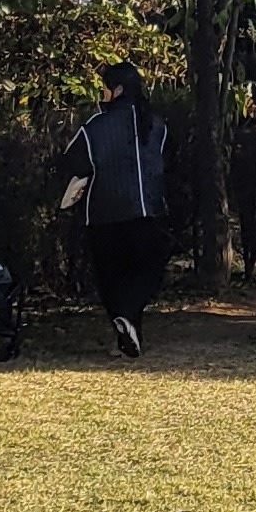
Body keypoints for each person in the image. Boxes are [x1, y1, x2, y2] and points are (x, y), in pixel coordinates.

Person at [58, 56, 172, 357]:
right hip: (147, 212)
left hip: (103, 215)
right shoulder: (157, 125)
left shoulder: (95, 127)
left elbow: (73, 162)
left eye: (105, 88)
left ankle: (125, 329)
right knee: (145, 274)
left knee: (111, 280)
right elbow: (164, 165)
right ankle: (130, 330)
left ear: (117, 89)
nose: (103, 94)